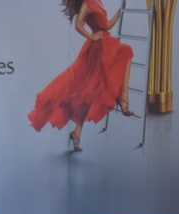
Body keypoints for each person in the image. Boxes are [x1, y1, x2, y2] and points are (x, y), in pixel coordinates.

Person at [28, 0, 134, 153]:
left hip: (106, 45)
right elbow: (78, 25)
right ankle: (123, 101)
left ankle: (77, 133)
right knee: (88, 91)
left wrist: (121, 10)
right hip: (97, 49)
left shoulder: (98, 2)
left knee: (91, 92)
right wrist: (92, 38)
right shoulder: (86, 4)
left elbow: (108, 25)